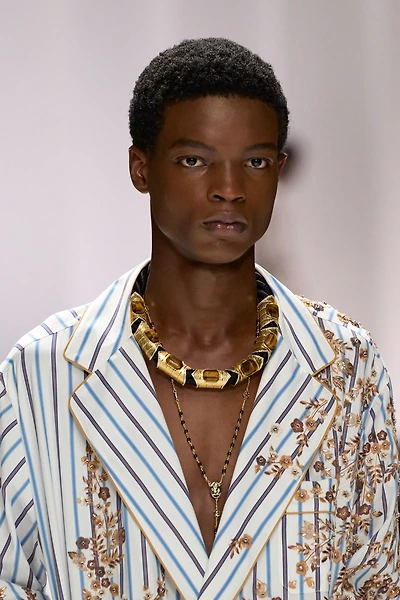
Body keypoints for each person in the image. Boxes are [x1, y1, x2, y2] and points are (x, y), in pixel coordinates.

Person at [0, 37, 398, 600]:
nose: (229, 189)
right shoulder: (40, 374)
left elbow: (378, 581)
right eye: (194, 160)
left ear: (279, 171)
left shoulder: (348, 366)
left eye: (255, 162)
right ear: (141, 167)